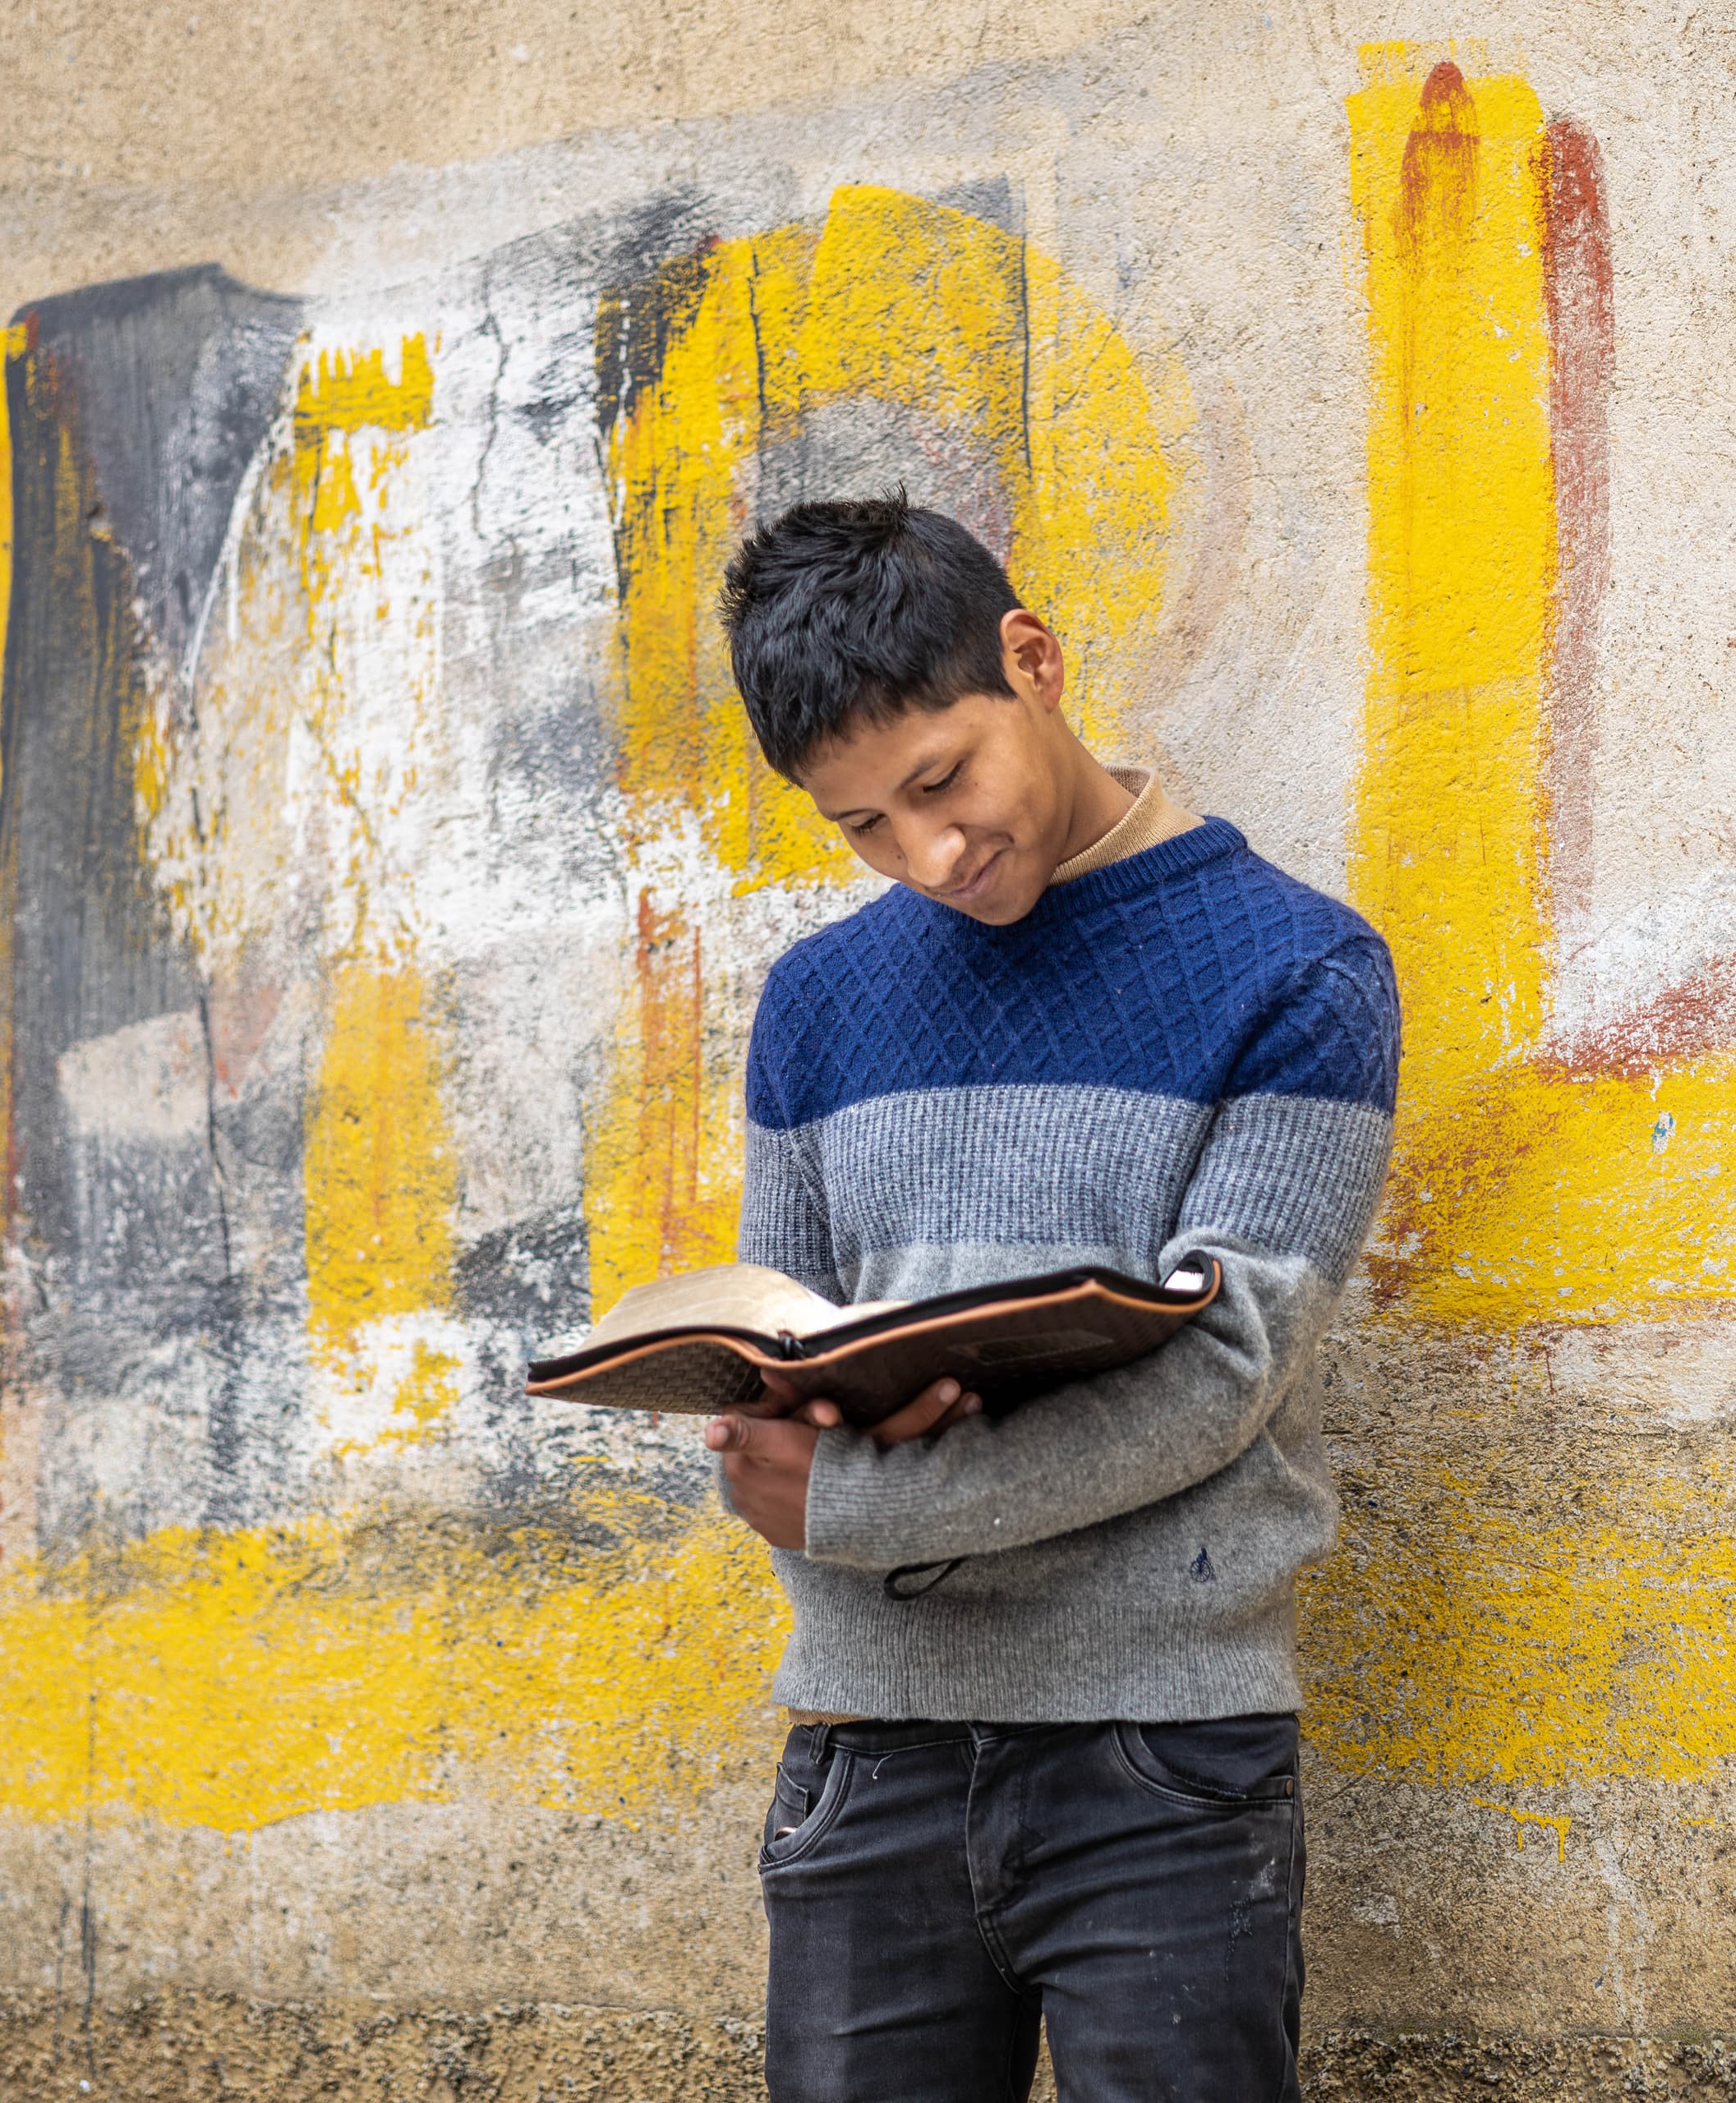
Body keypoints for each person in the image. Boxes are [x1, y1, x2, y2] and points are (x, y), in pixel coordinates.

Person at [698, 496, 1401, 2102]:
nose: (931, 853)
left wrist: (860, 1500)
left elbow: (1219, 1370)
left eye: (943, 779)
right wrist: (766, 1442)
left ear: (1035, 658)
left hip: (1161, 1755)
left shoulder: (1302, 971)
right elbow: (777, 1354)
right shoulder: (816, 1002)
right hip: (865, 1751)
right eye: (865, 825)